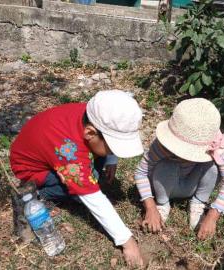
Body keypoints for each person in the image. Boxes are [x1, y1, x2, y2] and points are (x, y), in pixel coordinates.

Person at [10, 90, 144, 266]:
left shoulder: (93, 114)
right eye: (113, 148)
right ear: (89, 133)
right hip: (33, 170)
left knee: (93, 170)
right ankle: (40, 193)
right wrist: (127, 242)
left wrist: (111, 158)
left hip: (52, 151)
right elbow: (92, 197)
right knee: (82, 188)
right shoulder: (69, 150)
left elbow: (103, 140)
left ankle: (84, 171)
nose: (114, 152)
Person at [134, 98, 224, 240]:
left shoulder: (215, 146)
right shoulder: (163, 146)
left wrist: (213, 215)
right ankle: (163, 204)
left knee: (214, 166)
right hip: (165, 186)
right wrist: (150, 207)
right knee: (166, 165)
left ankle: (198, 202)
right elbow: (141, 172)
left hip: (192, 185)